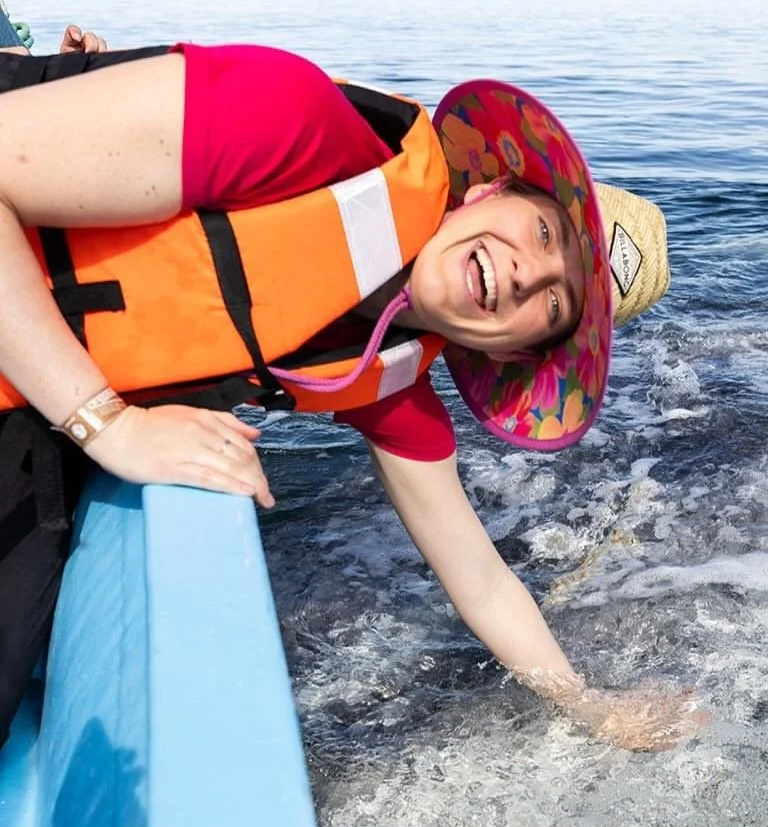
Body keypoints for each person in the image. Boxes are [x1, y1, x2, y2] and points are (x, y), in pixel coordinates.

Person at [0, 41, 701, 751]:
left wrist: (587, 705)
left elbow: (483, 581)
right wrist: (106, 422)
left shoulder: (386, 380)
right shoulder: (291, 118)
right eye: (547, 233)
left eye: (554, 303)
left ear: (512, 351)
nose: (529, 274)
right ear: (491, 192)